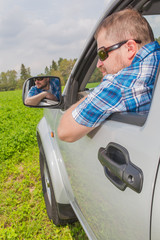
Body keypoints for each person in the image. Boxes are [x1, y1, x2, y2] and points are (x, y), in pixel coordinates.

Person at [58, 8, 160, 142]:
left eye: (102, 53)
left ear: (130, 48)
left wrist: (101, 87)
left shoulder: (120, 85)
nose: (98, 64)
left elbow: (64, 131)